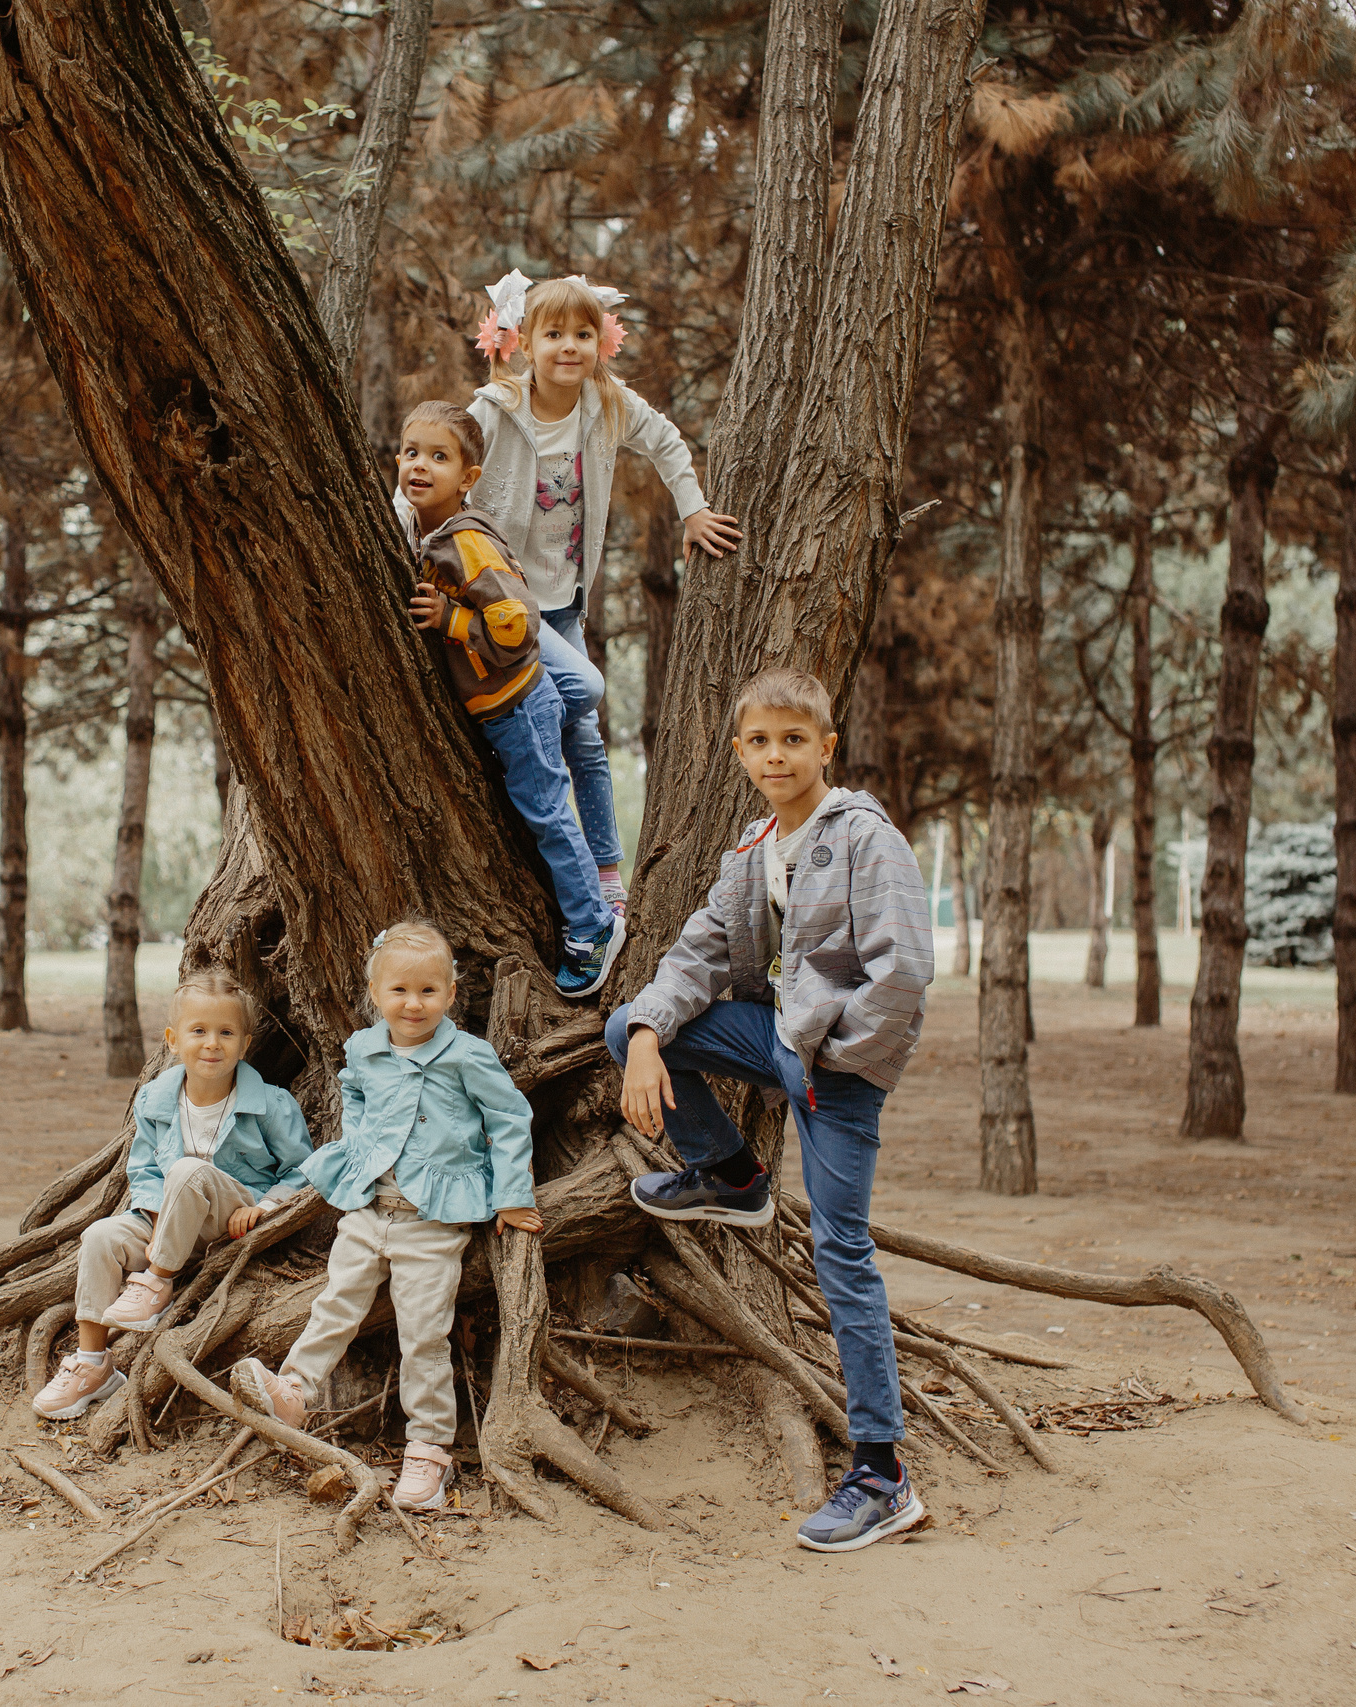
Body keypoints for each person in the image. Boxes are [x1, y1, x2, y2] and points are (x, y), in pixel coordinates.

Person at [606, 668, 935, 1552]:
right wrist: (644, 1035)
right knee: (630, 1026)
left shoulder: (867, 837)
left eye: (794, 738)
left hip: (838, 1071)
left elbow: (901, 973)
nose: (775, 754)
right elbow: (697, 952)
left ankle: (881, 1472)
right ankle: (734, 1173)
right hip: (780, 1040)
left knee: (842, 1252)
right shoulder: (753, 849)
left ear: (827, 746)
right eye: (760, 740)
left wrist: (832, 1060)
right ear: (742, 751)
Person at [398, 270, 742, 919]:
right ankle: (545, 822)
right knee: (574, 699)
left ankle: (608, 868)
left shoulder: (609, 406)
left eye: (583, 334)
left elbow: (666, 441)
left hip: (561, 601)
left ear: (601, 342)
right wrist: (397, 535)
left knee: (583, 733)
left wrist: (693, 510)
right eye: (553, 333)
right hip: (499, 595)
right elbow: (431, 462)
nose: (568, 346)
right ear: (524, 340)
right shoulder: (496, 408)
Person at [235, 919, 541, 1512]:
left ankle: (428, 1450)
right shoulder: (364, 1049)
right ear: (375, 994)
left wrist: (512, 1193)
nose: (413, 1003)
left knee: (424, 1332)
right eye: (399, 991)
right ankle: (296, 1388)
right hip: (371, 1209)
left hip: (434, 1219)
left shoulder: (468, 1057)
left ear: (452, 994)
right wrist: (360, 1149)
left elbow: (509, 1118)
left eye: (429, 991)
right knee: (338, 1297)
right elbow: (351, 1091)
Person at [398, 398, 624, 998]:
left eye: (438, 457)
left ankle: (594, 926)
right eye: (410, 452)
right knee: (539, 803)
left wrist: (451, 622)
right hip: (511, 707)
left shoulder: (465, 543)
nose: (419, 465)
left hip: (516, 705)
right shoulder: (429, 535)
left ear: (469, 478)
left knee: (548, 813)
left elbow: (516, 624)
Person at [30, 970, 312, 1421]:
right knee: (100, 1236)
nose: (212, 1043)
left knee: (188, 1169)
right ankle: (92, 1364)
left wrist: (265, 1206)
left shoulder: (272, 1104)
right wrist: (156, 1216)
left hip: (227, 1216)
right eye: (198, 1031)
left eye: (226, 1033)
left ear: (245, 1044)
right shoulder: (155, 1101)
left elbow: (303, 1171)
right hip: (161, 1220)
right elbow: (141, 1169)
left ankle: (156, 1283)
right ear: (173, 1040)